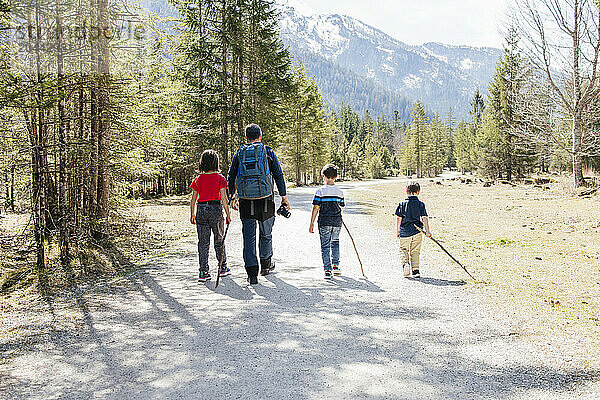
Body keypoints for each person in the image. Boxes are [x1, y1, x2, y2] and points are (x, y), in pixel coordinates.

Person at [227, 124, 290, 285]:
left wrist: (232, 196)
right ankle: (266, 265)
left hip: (246, 200)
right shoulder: (268, 152)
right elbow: (278, 174)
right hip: (265, 199)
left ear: (246, 137)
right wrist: (284, 197)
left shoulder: (239, 153)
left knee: (249, 236)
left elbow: (232, 174)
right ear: (260, 136)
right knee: (266, 233)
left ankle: (252, 273)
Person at [190, 150, 232, 282]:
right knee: (219, 239)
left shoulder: (198, 179)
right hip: (215, 209)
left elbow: (193, 199)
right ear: (216, 162)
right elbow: (224, 198)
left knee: (203, 242)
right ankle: (222, 267)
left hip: (201, 209)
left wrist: (192, 214)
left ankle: (203, 271)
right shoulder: (220, 178)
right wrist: (228, 214)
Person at [309, 164, 345, 279]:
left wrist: (311, 223)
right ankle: (336, 266)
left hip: (324, 221)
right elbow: (342, 207)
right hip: (337, 221)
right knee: (335, 242)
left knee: (325, 246)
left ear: (323, 176)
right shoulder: (340, 192)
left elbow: (316, 207)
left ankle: (328, 271)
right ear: (336, 176)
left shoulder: (320, 191)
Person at [395, 181, 431, 278]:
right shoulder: (420, 204)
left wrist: (398, 231)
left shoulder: (402, 204)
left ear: (406, 191)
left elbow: (399, 218)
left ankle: (406, 264)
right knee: (415, 251)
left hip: (405, 231)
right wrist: (427, 231)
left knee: (403, 249)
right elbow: (424, 217)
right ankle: (416, 270)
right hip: (417, 231)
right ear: (418, 192)